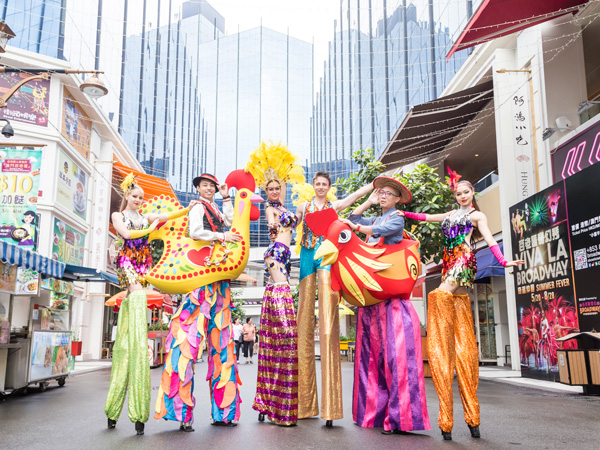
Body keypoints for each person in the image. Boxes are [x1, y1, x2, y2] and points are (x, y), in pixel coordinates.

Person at [400, 178, 524, 441]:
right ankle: (467, 419)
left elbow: (490, 239)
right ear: (455, 195)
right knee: (455, 307)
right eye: (458, 193)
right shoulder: (450, 214)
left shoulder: (477, 215)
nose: (463, 196)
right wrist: (404, 212)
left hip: (463, 259)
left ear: (472, 193)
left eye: (466, 192)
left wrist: (503, 261)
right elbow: (425, 216)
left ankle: (438, 344)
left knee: (437, 295)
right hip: (448, 261)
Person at [342, 176, 430, 435]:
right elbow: (355, 219)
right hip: (372, 301)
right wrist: (365, 202)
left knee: (397, 359)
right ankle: (374, 415)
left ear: (396, 199)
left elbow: (372, 231)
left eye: (388, 193)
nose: (382, 196)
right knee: (372, 360)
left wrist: (355, 228)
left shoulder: (396, 218)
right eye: (381, 192)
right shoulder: (377, 217)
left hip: (392, 301)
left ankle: (400, 418)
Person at [106, 173, 192, 435]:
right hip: (127, 261)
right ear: (126, 197)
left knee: (141, 294)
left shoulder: (146, 216)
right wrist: (149, 229)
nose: (138, 200)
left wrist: (191, 207)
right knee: (138, 294)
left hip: (144, 263)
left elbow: (169, 217)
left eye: (141, 198)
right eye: (135, 196)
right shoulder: (118, 216)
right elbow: (126, 234)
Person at [155, 173, 242, 430]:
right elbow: (195, 232)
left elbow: (229, 219)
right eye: (204, 186)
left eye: (212, 186)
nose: (208, 189)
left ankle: (224, 413)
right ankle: (181, 414)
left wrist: (227, 197)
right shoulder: (197, 208)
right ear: (198, 188)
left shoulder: (215, 206)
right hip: (200, 282)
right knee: (186, 344)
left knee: (222, 346)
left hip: (218, 279)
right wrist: (222, 238)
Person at [295, 172, 374, 426]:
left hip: (327, 258)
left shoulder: (334, 206)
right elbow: (285, 225)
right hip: (307, 258)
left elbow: (353, 198)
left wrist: (372, 187)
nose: (320, 187)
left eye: (324, 185)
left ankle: (331, 408)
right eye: (317, 184)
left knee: (329, 325)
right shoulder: (301, 207)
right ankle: (304, 404)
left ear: (329, 187)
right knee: (304, 321)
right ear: (313, 186)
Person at [244, 143, 305, 426]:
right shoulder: (271, 210)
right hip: (275, 257)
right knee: (287, 333)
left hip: (284, 259)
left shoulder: (284, 206)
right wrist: (299, 211)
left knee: (282, 337)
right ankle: (275, 404)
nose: (274, 192)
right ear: (266, 192)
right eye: (269, 188)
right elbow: (279, 222)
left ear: (282, 188)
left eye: (277, 188)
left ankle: (270, 401)